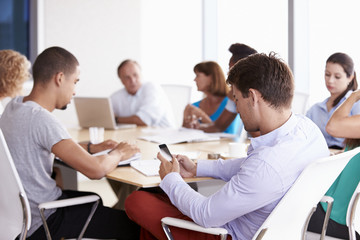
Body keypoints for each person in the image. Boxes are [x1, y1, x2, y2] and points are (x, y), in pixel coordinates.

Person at [125, 53, 330, 240]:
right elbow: (250, 165)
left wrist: (171, 178)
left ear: (253, 97)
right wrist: (199, 168)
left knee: (137, 200)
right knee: (160, 198)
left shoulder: (267, 165)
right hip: (276, 229)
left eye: (236, 99)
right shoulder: (307, 131)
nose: (236, 107)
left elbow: (206, 215)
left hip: (225, 234)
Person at [0, 46, 140, 239]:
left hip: (18, 218)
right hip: (45, 219)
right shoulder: (42, 120)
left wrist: (92, 147)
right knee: (134, 227)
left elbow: (48, 145)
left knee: (94, 200)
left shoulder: (13, 107)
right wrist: (120, 153)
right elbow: (96, 170)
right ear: (59, 78)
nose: (74, 91)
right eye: (75, 82)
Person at [307, 89, 360, 239]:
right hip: (345, 217)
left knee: (271, 209)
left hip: (335, 216)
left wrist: (354, 96)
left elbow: (332, 127)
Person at [198, 43, 258, 137]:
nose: (229, 74)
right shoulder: (232, 94)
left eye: (231, 70)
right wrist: (195, 127)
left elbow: (259, 135)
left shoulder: (260, 92)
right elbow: (219, 126)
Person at [306, 52, 360, 149]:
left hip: (344, 159)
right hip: (320, 157)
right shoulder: (315, 109)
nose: (330, 80)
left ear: (350, 78)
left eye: (337, 77)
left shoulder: (356, 103)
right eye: (327, 74)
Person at [111, 59, 175, 127]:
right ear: (121, 80)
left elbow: (143, 121)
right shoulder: (116, 96)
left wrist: (116, 119)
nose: (132, 80)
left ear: (141, 74)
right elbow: (105, 117)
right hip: (137, 135)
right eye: (127, 77)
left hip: (163, 134)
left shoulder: (152, 88)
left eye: (135, 75)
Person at [182, 61, 242, 134]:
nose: (194, 80)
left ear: (211, 77)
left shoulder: (231, 102)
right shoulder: (195, 106)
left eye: (197, 75)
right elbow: (186, 133)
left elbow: (223, 131)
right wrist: (186, 122)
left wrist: (202, 116)